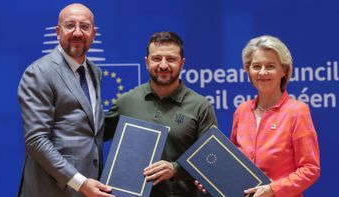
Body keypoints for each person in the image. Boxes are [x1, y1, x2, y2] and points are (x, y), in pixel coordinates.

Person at [196, 35, 320, 197]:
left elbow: (310, 169)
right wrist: (212, 180)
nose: (262, 72)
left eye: (270, 66)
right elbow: (232, 164)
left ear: (284, 70)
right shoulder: (241, 111)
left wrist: (273, 189)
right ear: (248, 70)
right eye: (256, 66)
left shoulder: (297, 111)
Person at [17, 3, 115, 197]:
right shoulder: (39, 73)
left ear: (93, 34)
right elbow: (36, 140)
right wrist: (80, 182)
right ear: (57, 31)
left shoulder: (95, 72)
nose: (77, 32)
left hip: (90, 187)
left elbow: (89, 129)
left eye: (84, 26)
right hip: (52, 189)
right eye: (70, 25)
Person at [105, 31, 218, 196]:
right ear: (146, 62)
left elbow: (211, 160)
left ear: (182, 63)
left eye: (171, 59)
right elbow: (93, 140)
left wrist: (175, 169)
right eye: (156, 58)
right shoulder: (126, 102)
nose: (163, 65)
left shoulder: (200, 106)